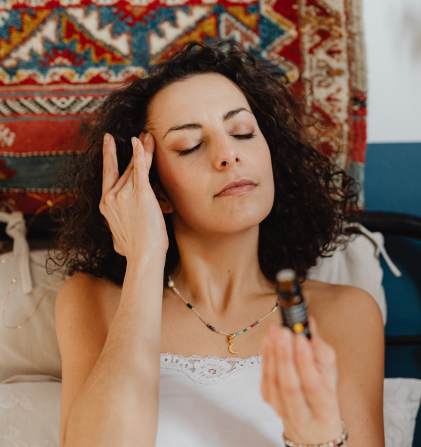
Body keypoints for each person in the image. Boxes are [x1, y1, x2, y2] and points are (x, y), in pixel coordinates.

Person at [50, 40, 385, 447]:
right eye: (191, 145)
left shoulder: (345, 314)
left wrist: (315, 435)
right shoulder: (92, 301)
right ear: (156, 190)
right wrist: (144, 258)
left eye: (243, 132)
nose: (228, 154)